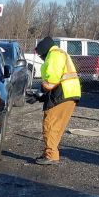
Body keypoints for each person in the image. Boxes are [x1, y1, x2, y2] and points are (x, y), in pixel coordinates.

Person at [30, 36, 81, 165]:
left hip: (61, 94)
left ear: (45, 51)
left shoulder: (54, 55)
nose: (41, 58)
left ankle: (51, 155)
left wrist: (39, 93)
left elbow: (52, 78)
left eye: (41, 55)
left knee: (50, 124)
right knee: (57, 126)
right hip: (70, 93)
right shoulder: (60, 53)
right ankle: (50, 152)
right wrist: (41, 95)